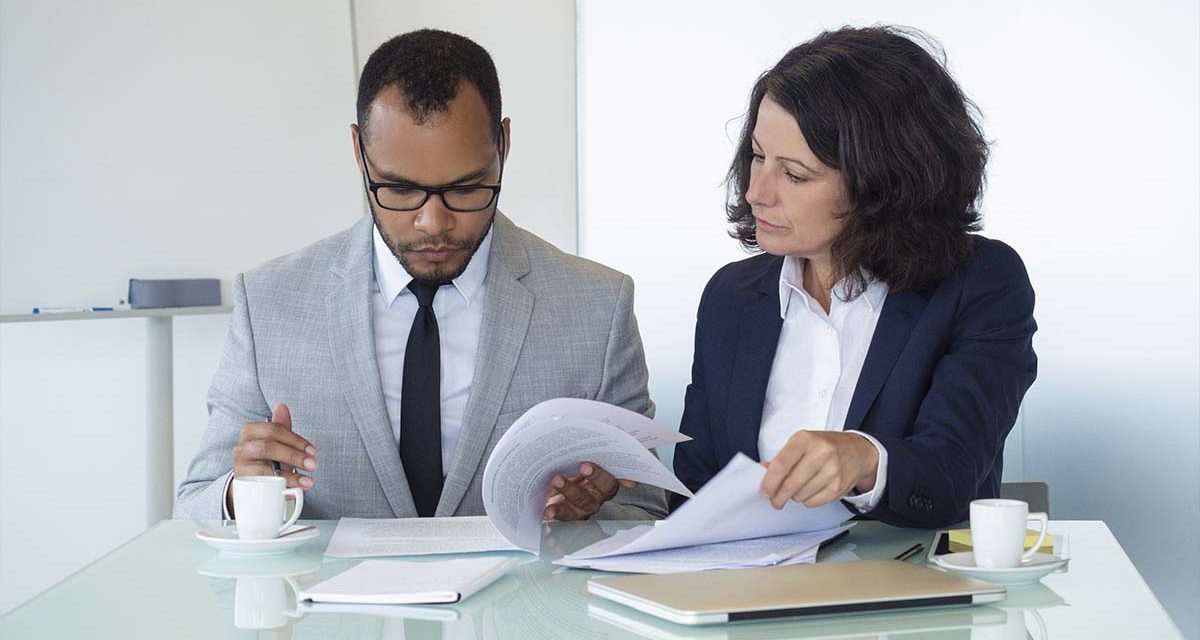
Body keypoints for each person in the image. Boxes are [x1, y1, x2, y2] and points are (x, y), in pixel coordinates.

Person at [175, 29, 665, 522]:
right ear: (359, 151)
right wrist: (242, 492)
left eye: (467, 188)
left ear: (504, 144)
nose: (433, 223)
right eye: (400, 189)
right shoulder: (269, 303)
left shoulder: (599, 305)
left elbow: (645, 508)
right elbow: (194, 503)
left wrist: (594, 513)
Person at [672, 26, 1037, 528]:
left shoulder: (982, 284)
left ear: (882, 184)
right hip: (748, 590)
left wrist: (863, 459)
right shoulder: (731, 297)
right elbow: (694, 490)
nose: (757, 191)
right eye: (758, 156)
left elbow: (952, 477)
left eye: (794, 174)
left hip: (904, 595)